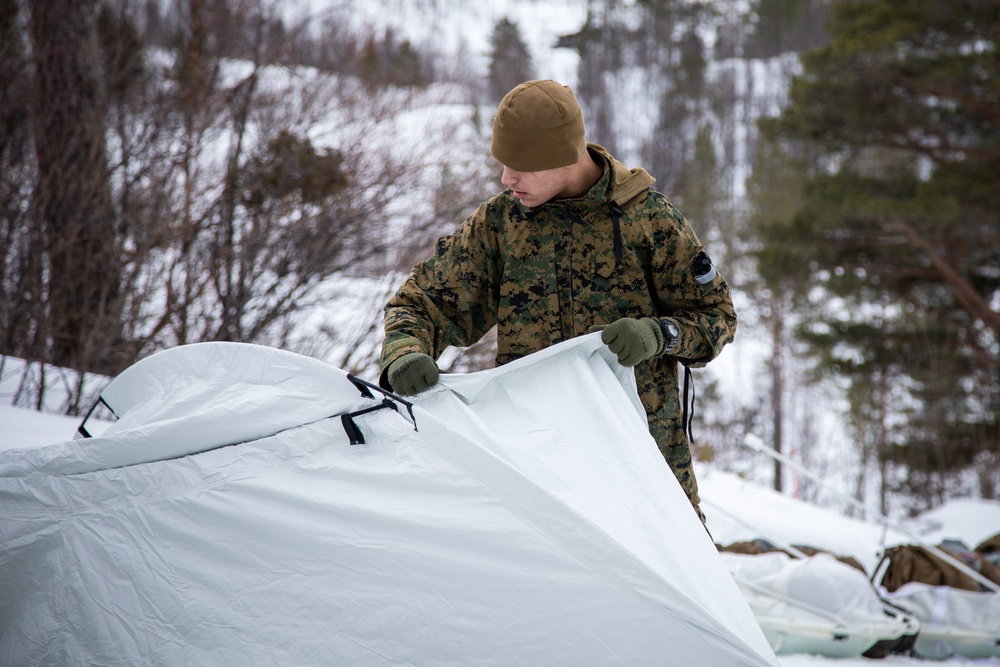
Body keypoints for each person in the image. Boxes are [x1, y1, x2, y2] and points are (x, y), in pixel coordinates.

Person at [378, 79, 736, 523]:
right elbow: (421, 302)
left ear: (564, 155)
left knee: (684, 588)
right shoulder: (502, 223)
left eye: (522, 165)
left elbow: (716, 316)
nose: (507, 178)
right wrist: (404, 351)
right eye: (503, 163)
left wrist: (660, 333)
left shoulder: (649, 220)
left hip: (645, 468)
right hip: (537, 469)